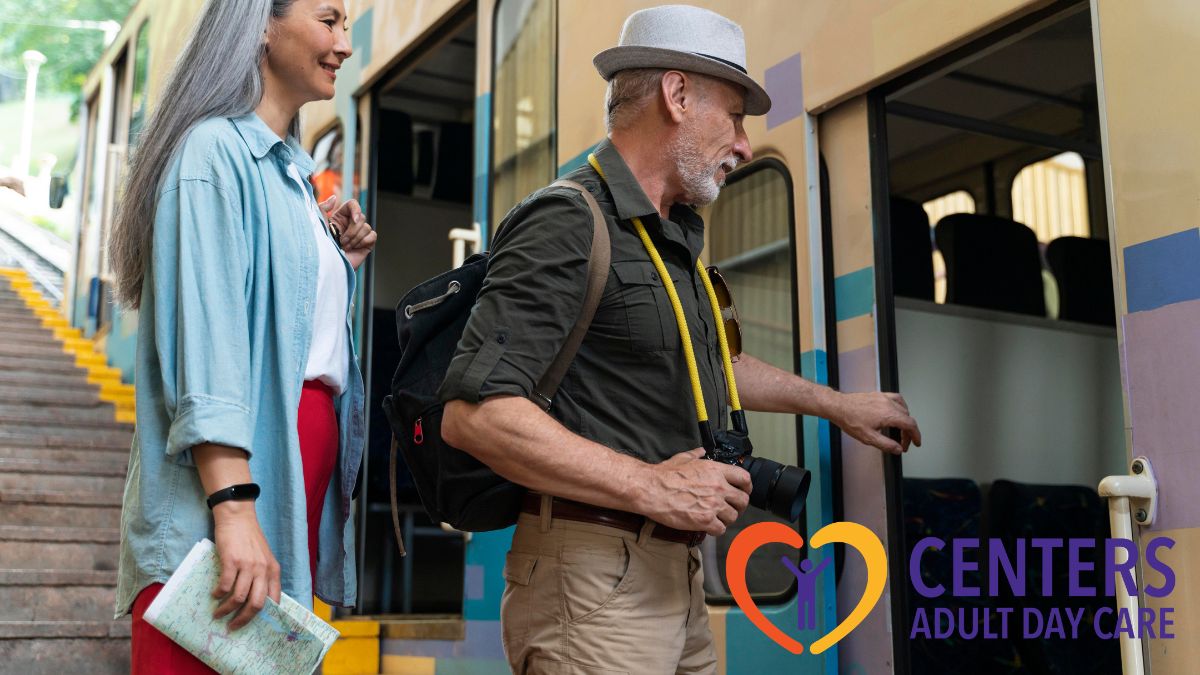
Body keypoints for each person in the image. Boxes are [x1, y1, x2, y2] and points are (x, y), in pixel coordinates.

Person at [439, 5, 921, 673]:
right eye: (736, 115)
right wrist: (649, 486)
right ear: (677, 94)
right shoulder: (565, 219)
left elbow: (718, 364)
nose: (745, 144)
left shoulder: (672, 238)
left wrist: (838, 405)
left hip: (677, 574)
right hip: (593, 578)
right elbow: (475, 415)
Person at [106, 1, 375, 672]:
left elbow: (289, 332)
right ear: (261, 22)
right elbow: (208, 347)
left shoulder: (289, 172)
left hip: (286, 475)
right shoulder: (213, 151)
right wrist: (232, 508)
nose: (345, 43)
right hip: (233, 486)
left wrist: (338, 262)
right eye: (329, 19)